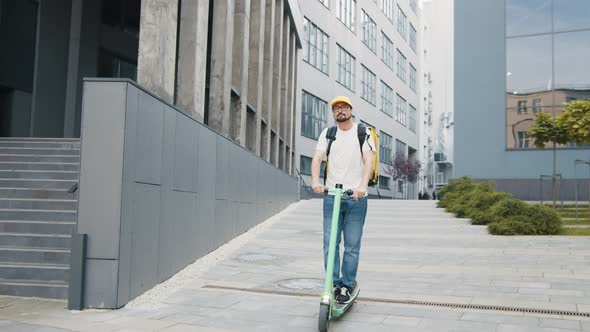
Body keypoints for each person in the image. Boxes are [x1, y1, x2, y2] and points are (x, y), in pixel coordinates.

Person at [311, 96, 375, 304]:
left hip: (356, 198)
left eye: (344, 107)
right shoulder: (328, 134)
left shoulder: (362, 132)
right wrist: (315, 181)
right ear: (333, 113)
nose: (340, 110)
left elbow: (369, 160)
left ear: (350, 110)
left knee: (352, 245)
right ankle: (334, 284)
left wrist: (362, 186)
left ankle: (347, 285)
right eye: (336, 108)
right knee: (329, 243)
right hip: (332, 196)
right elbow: (317, 158)